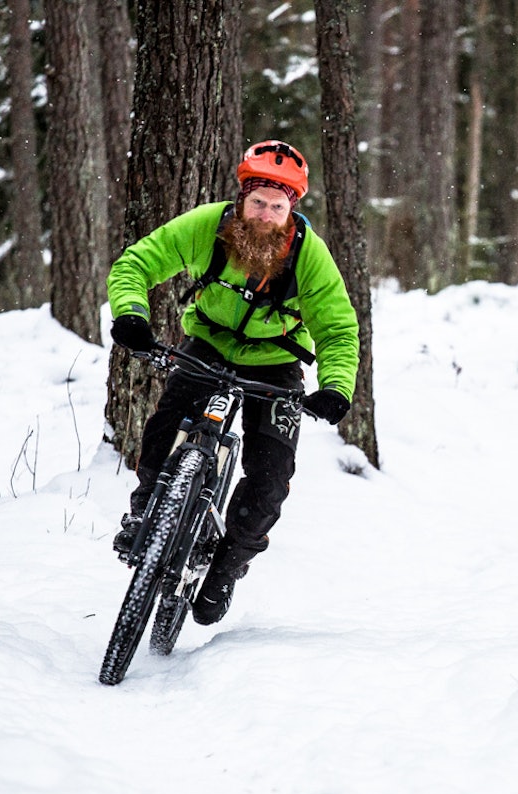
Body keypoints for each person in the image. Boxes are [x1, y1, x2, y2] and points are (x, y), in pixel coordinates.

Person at [106, 140, 359, 626]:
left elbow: (338, 329)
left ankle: (227, 566)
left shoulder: (310, 254)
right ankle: (145, 512)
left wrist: (335, 387)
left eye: (278, 207)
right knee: (164, 427)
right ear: (242, 198)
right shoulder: (208, 226)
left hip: (276, 362)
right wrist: (132, 315)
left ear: (292, 210)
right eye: (258, 202)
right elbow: (136, 263)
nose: (266, 215)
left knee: (270, 477)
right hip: (208, 344)